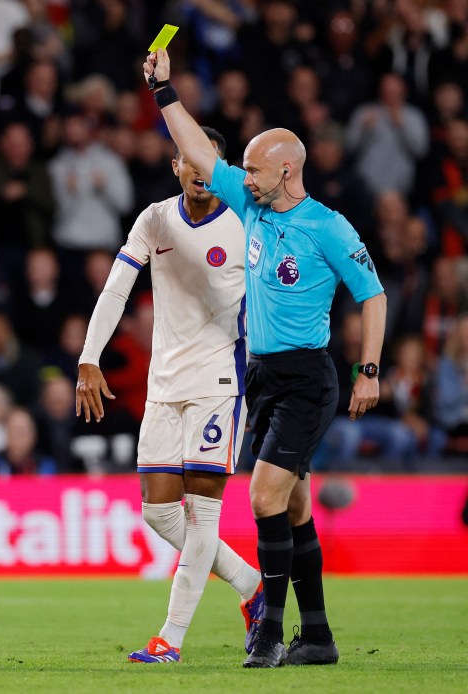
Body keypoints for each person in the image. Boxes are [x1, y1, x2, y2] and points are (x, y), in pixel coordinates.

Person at [144, 48, 387, 668]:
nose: (241, 178)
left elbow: (373, 295)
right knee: (296, 506)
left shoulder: (329, 227)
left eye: (253, 170)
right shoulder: (251, 205)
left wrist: (369, 370)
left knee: (261, 498)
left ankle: (269, 633)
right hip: (262, 377)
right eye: (244, 169)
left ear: (286, 170)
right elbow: (200, 154)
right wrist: (165, 94)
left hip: (310, 377)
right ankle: (321, 638)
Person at [76, 127, 263, 665]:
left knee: (203, 515)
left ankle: (170, 639)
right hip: (164, 384)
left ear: (222, 167)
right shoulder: (155, 218)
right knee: (158, 513)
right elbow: (117, 287)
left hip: (220, 382)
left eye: (210, 160)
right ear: (175, 165)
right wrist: (90, 356)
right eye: (190, 159)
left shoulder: (244, 222)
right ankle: (253, 584)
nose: (199, 168)